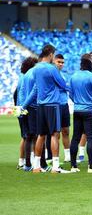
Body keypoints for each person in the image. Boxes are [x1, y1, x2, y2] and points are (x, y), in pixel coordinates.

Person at [22, 44, 69, 173]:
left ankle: (36, 166)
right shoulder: (51, 68)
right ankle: (55, 167)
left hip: (40, 106)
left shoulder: (36, 69)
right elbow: (63, 84)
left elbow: (35, 90)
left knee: (41, 135)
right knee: (54, 135)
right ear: (51, 55)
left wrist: (24, 106)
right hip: (52, 105)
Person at [68, 54, 92, 173]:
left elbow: (70, 94)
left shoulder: (74, 76)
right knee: (91, 138)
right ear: (90, 64)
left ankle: (73, 166)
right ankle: (91, 166)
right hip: (89, 111)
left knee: (75, 138)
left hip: (77, 110)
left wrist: (77, 102)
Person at [16, 57, 38, 171]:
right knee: (31, 136)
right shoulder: (29, 77)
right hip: (27, 107)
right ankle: (31, 162)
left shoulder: (22, 78)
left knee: (25, 136)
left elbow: (17, 94)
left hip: (20, 108)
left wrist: (18, 108)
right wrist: (23, 107)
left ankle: (22, 162)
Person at [53, 54, 71, 163]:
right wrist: (67, 88)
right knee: (55, 133)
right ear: (54, 61)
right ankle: (54, 156)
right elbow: (64, 87)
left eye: (62, 62)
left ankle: (67, 155)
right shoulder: (51, 74)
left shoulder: (63, 75)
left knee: (66, 131)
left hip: (64, 105)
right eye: (59, 62)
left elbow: (64, 87)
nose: (61, 64)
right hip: (55, 105)